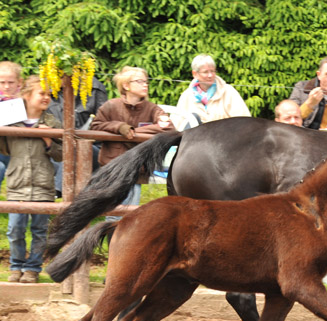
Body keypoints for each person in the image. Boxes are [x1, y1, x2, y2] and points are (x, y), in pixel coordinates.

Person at [90, 66, 174, 221]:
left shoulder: (152, 109)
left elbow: (169, 128)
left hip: (137, 171)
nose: (145, 85)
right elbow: (95, 126)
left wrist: (134, 132)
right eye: (140, 81)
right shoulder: (110, 106)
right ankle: (112, 244)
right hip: (113, 169)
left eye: (146, 81)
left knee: (128, 217)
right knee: (113, 217)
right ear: (126, 86)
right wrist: (119, 127)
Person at [0, 76, 62, 283]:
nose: (46, 97)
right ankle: (16, 266)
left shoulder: (53, 122)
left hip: (43, 184)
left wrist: (47, 140)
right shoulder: (8, 120)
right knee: (15, 229)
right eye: (41, 93)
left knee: (39, 230)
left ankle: (33, 268)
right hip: (17, 183)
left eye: (48, 94)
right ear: (26, 96)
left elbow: (62, 154)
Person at [48, 76, 108, 196]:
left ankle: (58, 190)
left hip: (90, 148)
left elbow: (103, 123)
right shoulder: (46, 90)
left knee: (77, 148)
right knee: (69, 149)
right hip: (56, 148)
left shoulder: (95, 88)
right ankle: (59, 191)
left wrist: (81, 139)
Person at [174, 54, 251, 130]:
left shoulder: (228, 92)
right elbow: (177, 124)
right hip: (196, 140)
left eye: (212, 71)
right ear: (195, 74)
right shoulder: (187, 96)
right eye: (205, 72)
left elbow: (244, 121)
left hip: (225, 139)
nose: (210, 75)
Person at [0, 61, 23, 189]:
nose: (6, 87)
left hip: (18, 149)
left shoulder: (25, 100)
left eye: (11, 82)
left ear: (19, 82)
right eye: (2, 83)